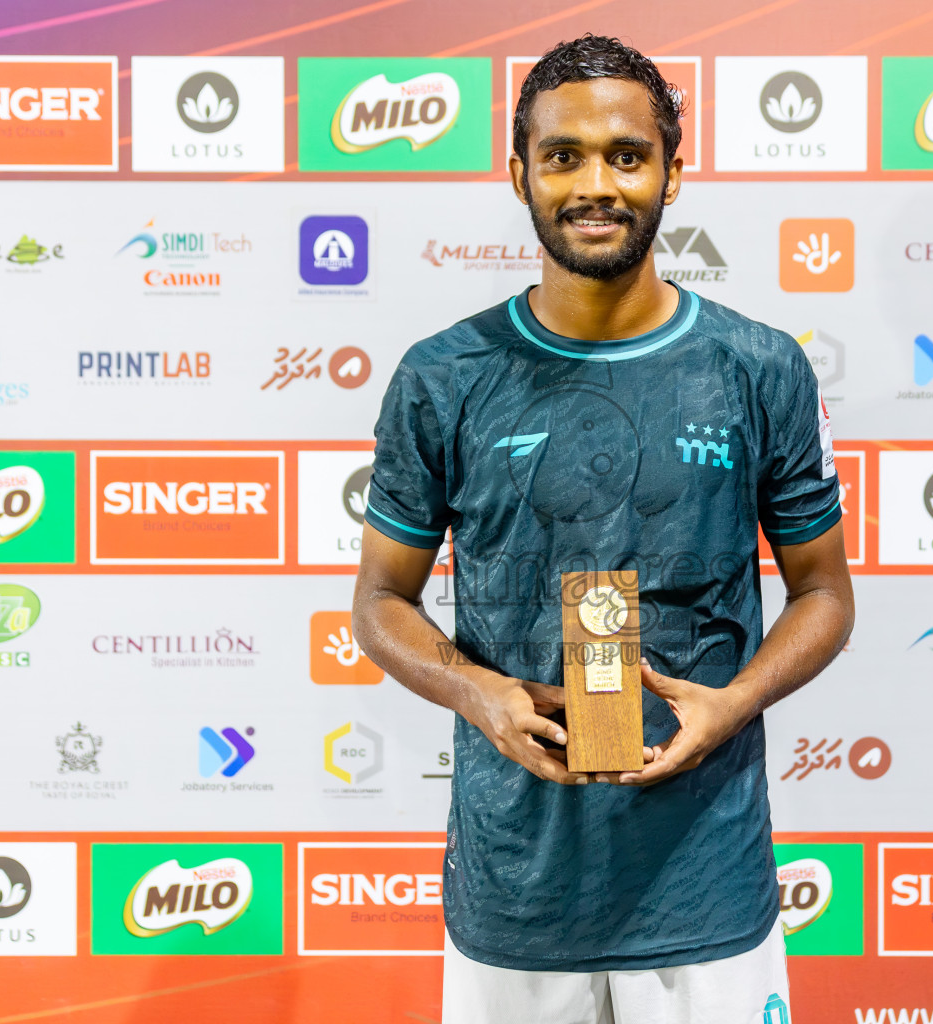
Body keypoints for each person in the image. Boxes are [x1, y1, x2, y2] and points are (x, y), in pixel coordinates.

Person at [351, 33, 854, 1024]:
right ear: (517, 170)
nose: (597, 184)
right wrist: (480, 692)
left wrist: (735, 700)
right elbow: (379, 600)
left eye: (626, 155)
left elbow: (826, 593)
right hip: (517, 892)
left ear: (673, 167)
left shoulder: (758, 367)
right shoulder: (444, 376)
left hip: (705, 884)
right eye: (564, 155)